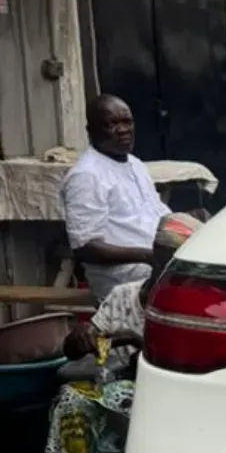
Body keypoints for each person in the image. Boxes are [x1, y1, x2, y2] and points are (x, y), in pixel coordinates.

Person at [44, 213, 201, 453]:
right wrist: (80, 338)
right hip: (113, 387)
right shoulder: (123, 296)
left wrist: (137, 342)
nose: (167, 265)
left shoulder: (190, 308)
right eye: (163, 255)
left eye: (176, 258)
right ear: (154, 254)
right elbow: (74, 352)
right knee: (70, 397)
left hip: (165, 395)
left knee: (128, 399)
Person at [61, 95, 171, 303]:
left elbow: (155, 214)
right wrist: (147, 256)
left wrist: (187, 220)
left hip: (154, 266)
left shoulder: (136, 164)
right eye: (111, 124)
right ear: (91, 131)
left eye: (127, 122)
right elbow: (85, 249)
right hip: (123, 278)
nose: (123, 130)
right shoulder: (86, 175)